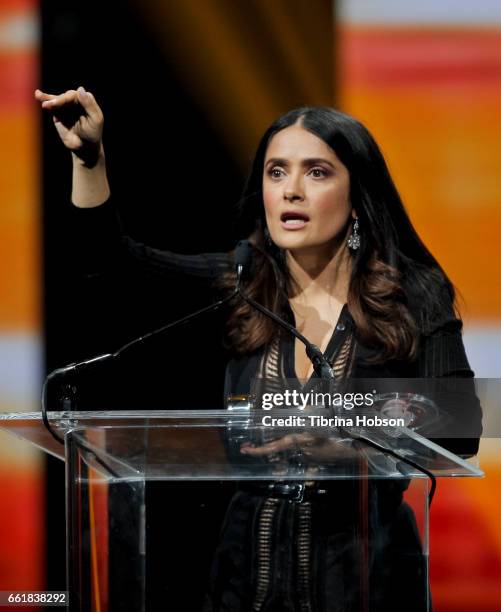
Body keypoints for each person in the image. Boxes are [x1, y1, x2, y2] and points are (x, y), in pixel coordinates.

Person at [35, 87, 481, 611]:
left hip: (367, 582)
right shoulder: (244, 285)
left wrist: (350, 448)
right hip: (243, 584)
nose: (291, 190)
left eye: (316, 172)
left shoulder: (413, 294)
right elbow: (108, 262)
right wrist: (89, 157)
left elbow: (459, 422)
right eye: (276, 172)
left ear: (357, 194)